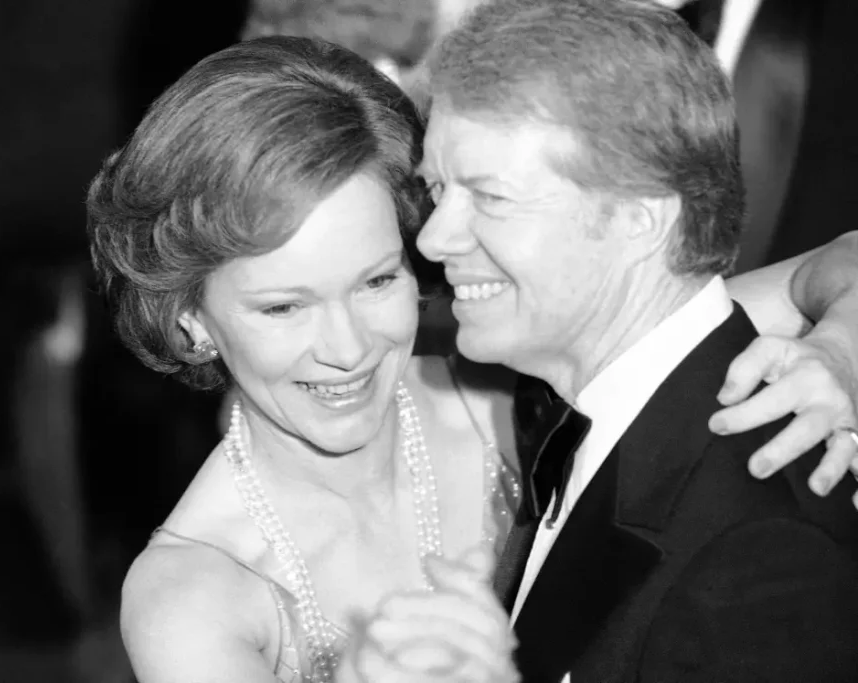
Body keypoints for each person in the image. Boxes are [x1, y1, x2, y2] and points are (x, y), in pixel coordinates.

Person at [86, 35, 858, 683]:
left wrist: (838, 350)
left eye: (376, 280)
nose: (349, 348)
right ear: (192, 322)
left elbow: (825, 266)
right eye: (284, 307)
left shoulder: (500, 370)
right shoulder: (193, 595)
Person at [404, 0, 858, 680]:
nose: (434, 237)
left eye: (489, 196)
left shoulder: (761, 551)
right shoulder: (619, 416)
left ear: (642, 220)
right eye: (438, 190)